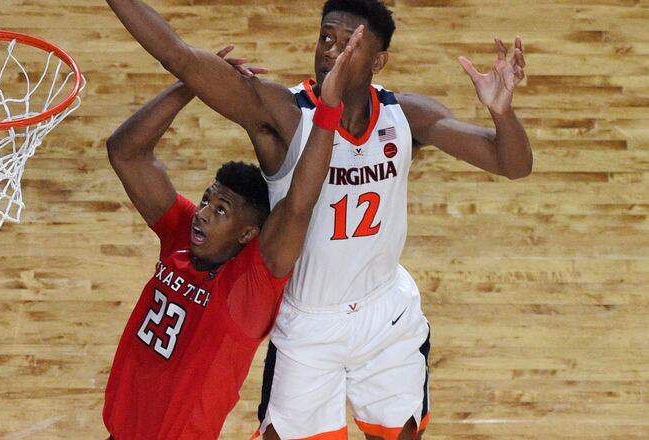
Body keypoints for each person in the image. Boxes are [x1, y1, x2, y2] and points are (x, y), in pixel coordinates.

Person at [105, 0, 532, 438]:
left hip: (383, 312)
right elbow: (176, 54)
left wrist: (502, 111)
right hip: (307, 319)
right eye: (326, 38)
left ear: (378, 61)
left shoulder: (406, 115)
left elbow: (511, 163)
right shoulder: (284, 113)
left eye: (349, 44)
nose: (331, 51)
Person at [102, 33, 365, 440]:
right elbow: (125, 152)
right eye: (207, 200)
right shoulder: (183, 237)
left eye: (219, 210)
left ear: (248, 234)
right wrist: (190, 83)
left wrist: (328, 112)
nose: (203, 213)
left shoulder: (248, 287)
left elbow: (298, 204)